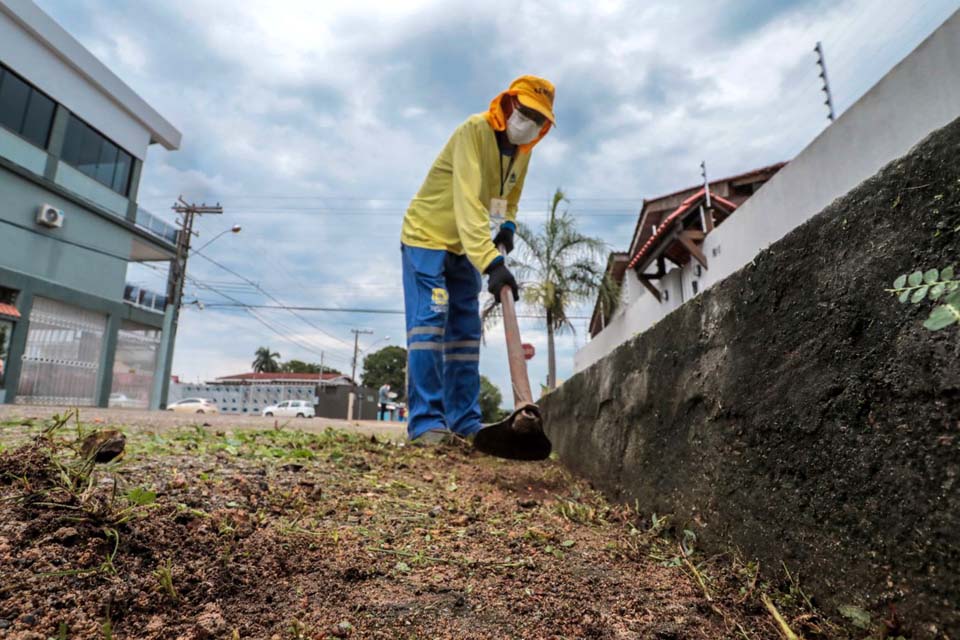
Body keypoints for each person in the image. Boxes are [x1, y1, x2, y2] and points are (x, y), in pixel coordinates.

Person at [400, 75, 555, 442]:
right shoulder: (474, 131)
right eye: (526, 112)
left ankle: (465, 422)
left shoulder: (523, 150)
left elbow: (509, 197)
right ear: (509, 103)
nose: (529, 123)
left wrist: (508, 226)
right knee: (429, 325)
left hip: (466, 246)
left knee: (466, 332)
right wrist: (492, 264)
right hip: (427, 237)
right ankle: (426, 423)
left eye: (538, 118)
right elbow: (468, 202)